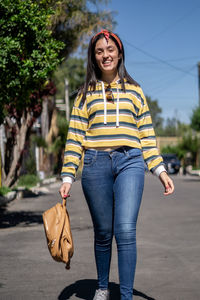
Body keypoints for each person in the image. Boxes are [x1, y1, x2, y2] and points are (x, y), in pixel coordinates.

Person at [59, 29, 174, 300]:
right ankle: (101, 287)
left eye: (110, 50)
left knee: (125, 230)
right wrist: (67, 177)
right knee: (103, 232)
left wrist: (160, 170)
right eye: (99, 51)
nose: (105, 55)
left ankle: (125, 296)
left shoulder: (135, 91)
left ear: (119, 54)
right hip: (95, 164)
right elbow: (75, 137)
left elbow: (146, 133)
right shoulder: (85, 94)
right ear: (94, 57)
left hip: (130, 162)